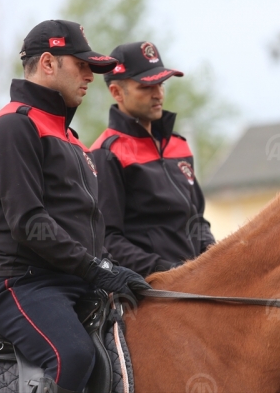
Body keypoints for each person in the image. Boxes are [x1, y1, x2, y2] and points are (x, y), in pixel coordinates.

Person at [0, 20, 151, 393]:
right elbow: (29, 222)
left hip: (74, 280)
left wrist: (114, 268)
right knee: (74, 355)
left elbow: (86, 224)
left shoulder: (69, 136)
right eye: (82, 65)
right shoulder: (12, 128)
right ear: (49, 63)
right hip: (23, 284)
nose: (89, 76)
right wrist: (96, 268)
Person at [91, 41, 215, 277]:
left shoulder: (179, 146)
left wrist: (213, 257)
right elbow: (107, 240)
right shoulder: (106, 153)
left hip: (195, 283)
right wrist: (167, 270)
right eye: (146, 86)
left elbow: (197, 220)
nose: (158, 93)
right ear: (117, 92)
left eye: (161, 83)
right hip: (152, 291)